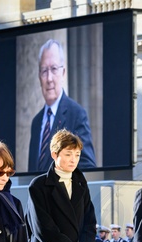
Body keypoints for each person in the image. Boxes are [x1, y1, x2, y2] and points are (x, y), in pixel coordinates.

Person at [28, 39, 96, 172]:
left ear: (63, 73)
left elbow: (87, 166)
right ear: (39, 77)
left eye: (54, 69)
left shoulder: (76, 114)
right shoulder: (36, 122)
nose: (49, 78)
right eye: (44, 71)